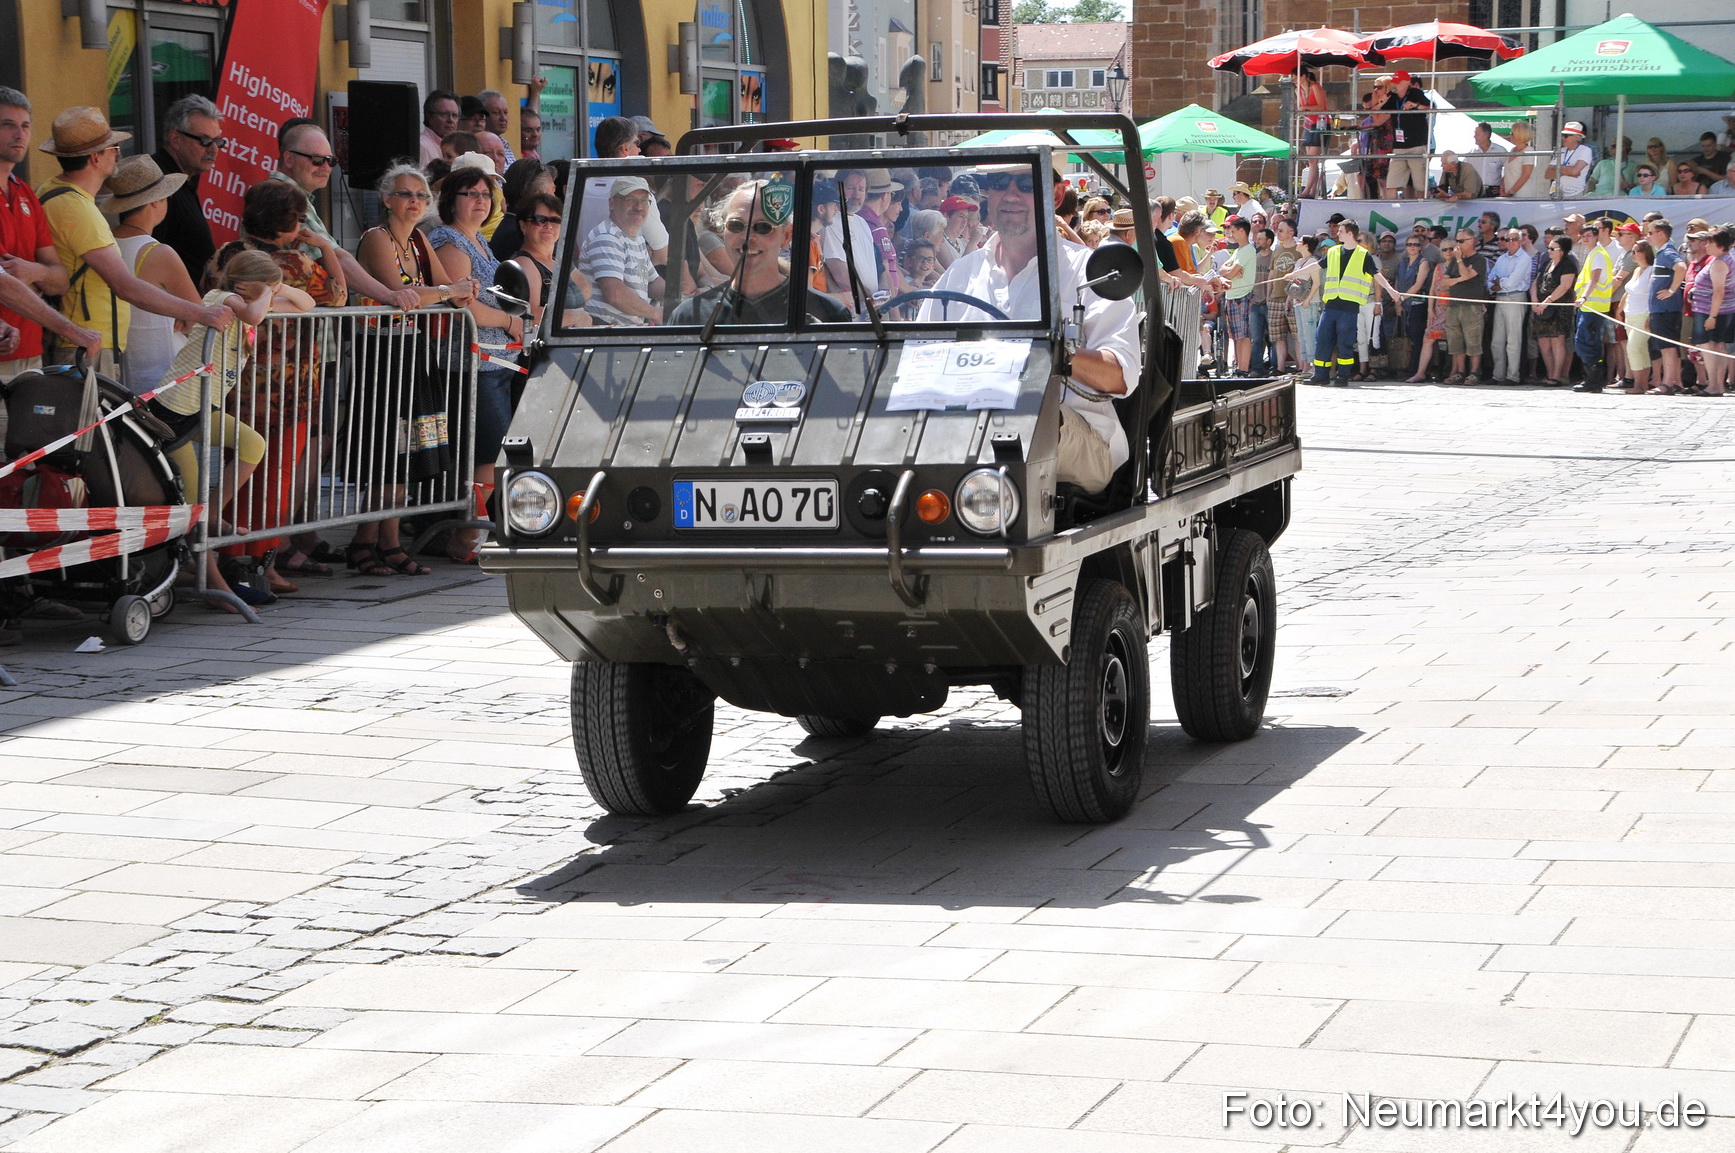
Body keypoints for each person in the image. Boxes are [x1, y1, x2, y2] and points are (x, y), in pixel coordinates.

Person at [920, 164, 1139, 494]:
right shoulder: (962, 274)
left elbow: (1120, 375)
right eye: (998, 183)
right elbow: (916, 355)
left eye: (1026, 183)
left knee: (1025, 423)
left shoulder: (1086, 273)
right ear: (987, 194)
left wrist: (1050, 352)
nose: (1011, 194)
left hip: (1077, 435)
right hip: (969, 431)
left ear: (1056, 194)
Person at [149, 249, 312, 609]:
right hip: (175, 411)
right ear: (242, 284)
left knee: (252, 445)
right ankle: (217, 586)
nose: (272, 294)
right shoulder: (222, 299)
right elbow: (255, 312)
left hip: (202, 408)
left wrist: (277, 285)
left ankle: (212, 512)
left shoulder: (248, 303)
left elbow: (307, 304)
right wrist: (267, 293)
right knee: (193, 510)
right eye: (267, 287)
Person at [206, 179, 344, 593]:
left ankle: (235, 557)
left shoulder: (226, 254)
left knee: (240, 472)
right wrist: (329, 248)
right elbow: (337, 296)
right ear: (289, 222)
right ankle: (259, 564)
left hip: (238, 382)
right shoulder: (295, 262)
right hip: (289, 386)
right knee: (276, 477)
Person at [36, 106, 232, 375]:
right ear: (95, 158)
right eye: (111, 148)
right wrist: (199, 313)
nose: (118, 153)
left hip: (85, 339)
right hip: (87, 342)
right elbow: (124, 285)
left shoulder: (53, 191)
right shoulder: (77, 207)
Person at [353, 163, 479, 576]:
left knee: (409, 446)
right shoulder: (376, 238)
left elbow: (448, 291)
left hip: (415, 350)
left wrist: (455, 292)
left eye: (422, 196)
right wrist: (447, 292)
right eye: (406, 194)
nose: (414, 202)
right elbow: (402, 294)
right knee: (387, 449)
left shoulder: (421, 239)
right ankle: (367, 540)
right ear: (387, 199)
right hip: (383, 351)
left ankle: (385, 541)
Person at [430, 164, 527, 562]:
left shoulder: (478, 241)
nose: (480, 201)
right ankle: (469, 536)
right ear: (451, 199)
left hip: (495, 362)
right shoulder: (450, 241)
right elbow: (462, 305)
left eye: (485, 195)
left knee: (491, 451)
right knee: (485, 454)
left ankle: (477, 530)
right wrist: (509, 321)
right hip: (470, 363)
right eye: (471, 193)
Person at [272, 121, 421, 311]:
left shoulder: (282, 192)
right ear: (289, 159)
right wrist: (389, 295)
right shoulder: (286, 196)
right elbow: (337, 259)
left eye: (331, 160)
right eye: (317, 159)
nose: (326, 167)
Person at [670, 181, 852, 326]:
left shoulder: (827, 313)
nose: (747, 237)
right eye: (736, 226)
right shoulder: (689, 317)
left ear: (786, 236)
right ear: (723, 231)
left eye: (763, 227)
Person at [103, 155, 198, 396]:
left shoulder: (103, 244)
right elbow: (198, 315)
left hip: (118, 374)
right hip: (163, 374)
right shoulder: (160, 253)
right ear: (156, 202)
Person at [0, 86, 73, 381]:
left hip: (31, 350)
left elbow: (61, 280)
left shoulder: (26, 193)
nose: (20, 135)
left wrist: (31, 271)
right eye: (8, 125)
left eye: (25, 126)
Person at [1310, 220, 1402, 387]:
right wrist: (1294, 274)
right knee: (1322, 340)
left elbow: (1377, 275)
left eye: (1341, 231)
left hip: (1349, 308)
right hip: (1330, 305)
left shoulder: (1363, 255)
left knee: (1345, 342)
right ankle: (1320, 375)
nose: (1338, 234)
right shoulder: (1333, 252)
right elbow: (1316, 266)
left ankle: (1342, 376)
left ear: (1350, 233)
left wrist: (1391, 290)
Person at [150, 94, 222, 283]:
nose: (214, 149)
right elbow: (150, 257)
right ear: (175, 139)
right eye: (205, 141)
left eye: (218, 141)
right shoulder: (160, 182)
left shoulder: (182, 179)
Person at [579, 175, 664, 327]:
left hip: (625, 330)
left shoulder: (635, 236)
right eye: (630, 200)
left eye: (644, 201)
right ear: (612, 203)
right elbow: (615, 294)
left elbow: (653, 282)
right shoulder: (607, 236)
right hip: (606, 333)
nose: (639, 207)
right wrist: (655, 313)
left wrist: (682, 301)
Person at [507, 190, 590, 330]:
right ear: (523, 226)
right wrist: (574, 317)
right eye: (540, 220)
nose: (549, 226)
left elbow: (586, 286)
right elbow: (530, 314)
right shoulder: (524, 263)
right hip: (543, 348)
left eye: (555, 220)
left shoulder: (557, 261)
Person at [1686, 226, 1735, 396]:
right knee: (1716, 346)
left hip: (1713, 311)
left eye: (1710, 243)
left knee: (1711, 346)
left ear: (1720, 245)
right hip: (1713, 309)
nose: (1706, 246)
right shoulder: (1720, 260)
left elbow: (1719, 290)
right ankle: (1716, 385)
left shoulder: (1721, 262)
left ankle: (1714, 384)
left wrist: (1712, 316)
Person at [1572, 218, 1618, 392]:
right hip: (1589, 306)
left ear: (1596, 237)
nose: (1585, 239)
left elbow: (1595, 278)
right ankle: (1592, 379)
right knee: (1587, 343)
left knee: (1585, 343)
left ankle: (1594, 379)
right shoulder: (1593, 254)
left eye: (1589, 236)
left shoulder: (1598, 254)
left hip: (1594, 307)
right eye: (1583, 236)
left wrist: (1583, 297)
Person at [1486, 228, 1534, 385]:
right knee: (1497, 340)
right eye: (1508, 239)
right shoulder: (1501, 259)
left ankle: (1512, 376)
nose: (1511, 242)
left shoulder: (1524, 259)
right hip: (1499, 298)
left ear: (1520, 241)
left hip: (1515, 297)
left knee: (1513, 340)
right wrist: (1497, 284)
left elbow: (1513, 282)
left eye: (1514, 239)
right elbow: (1490, 279)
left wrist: (1499, 282)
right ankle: (1498, 375)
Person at [822, 168, 877, 301]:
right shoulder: (830, 223)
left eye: (861, 189)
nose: (856, 195)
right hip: (851, 307)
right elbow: (839, 274)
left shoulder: (862, 223)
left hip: (869, 306)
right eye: (851, 188)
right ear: (837, 189)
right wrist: (869, 297)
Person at [1530, 234, 1578, 386]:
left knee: (1557, 342)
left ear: (1562, 250)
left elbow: (1564, 286)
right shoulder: (1546, 263)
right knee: (1544, 343)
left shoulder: (1568, 265)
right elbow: (1535, 283)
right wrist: (1535, 301)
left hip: (1559, 307)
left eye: (1553, 248)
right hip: (1541, 308)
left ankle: (1557, 376)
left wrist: (1547, 302)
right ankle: (1549, 374)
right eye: (1548, 247)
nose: (1549, 251)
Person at [1646, 220, 1685, 393]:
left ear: (1661, 233)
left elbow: (1681, 267)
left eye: (1650, 233)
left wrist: (1671, 290)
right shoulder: (1661, 252)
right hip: (1661, 308)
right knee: (1669, 346)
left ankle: (1667, 383)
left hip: (1666, 308)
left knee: (1667, 347)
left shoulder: (1668, 252)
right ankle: (1676, 381)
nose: (1648, 236)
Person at [489, 157, 553, 261]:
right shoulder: (519, 233)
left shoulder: (513, 226)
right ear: (537, 195)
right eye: (551, 193)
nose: (555, 199)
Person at [1219, 216, 1257, 376]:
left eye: (1233, 231)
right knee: (1235, 335)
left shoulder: (1248, 249)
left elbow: (1230, 272)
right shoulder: (1238, 251)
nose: (1231, 234)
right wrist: (1228, 271)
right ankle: (1238, 367)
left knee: (1243, 335)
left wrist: (1229, 271)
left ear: (1242, 231)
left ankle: (1243, 368)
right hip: (1232, 295)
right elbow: (1222, 270)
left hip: (1241, 296)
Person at [1385, 71, 1431, 200]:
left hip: (1416, 144)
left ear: (1406, 83)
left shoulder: (1416, 93)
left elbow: (1432, 108)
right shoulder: (1393, 97)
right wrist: (1380, 101)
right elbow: (1379, 114)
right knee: (1391, 183)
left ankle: (1422, 209)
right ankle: (1390, 211)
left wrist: (1416, 105)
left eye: (1397, 82)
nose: (1394, 85)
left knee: (1420, 184)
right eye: (1393, 82)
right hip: (1399, 146)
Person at [1394, 231, 1433, 381]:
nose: (1412, 247)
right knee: (1407, 338)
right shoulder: (1403, 262)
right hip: (1403, 303)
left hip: (1417, 305)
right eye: (1409, 244)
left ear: (1420, 247)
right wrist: (1398, 302)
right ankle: (1406, 368)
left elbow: (1418, 285)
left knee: (1417, 339)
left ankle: (1417, 370)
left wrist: (1401, 298)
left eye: (1416, 245)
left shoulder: (1424, 263)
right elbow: (1398, 282)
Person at [1623, 239, 1657, 395]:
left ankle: (1638, 384)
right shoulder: (1637, 270)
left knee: (1633, 348)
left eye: (1636, 251)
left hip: (1643, 314)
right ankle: (1642, 384)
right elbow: (1629, 291)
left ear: (1645, 253)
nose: (1633, 254)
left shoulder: (1652, 270)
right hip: (1629, 314)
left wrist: (1651, 315)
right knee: (1641, 350)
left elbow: (1653, 295)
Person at [1298, 66, 1328, 197]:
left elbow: (1321, 106)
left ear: (1303, 76)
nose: (1293, 79)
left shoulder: (1315, 86)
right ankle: (1311, 190)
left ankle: (1309, 190)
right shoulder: (1298, 89)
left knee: (1313, 160)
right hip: (1309, 124)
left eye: (1295, 76)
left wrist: (1305, 107)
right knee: (1311, 160)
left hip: (1320, 123)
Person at [1546, 122, 1595, 198]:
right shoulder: (1561, 150)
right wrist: (1568, 172)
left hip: (1575, 194)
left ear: (1576, 137)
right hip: (1556, 193)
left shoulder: (1585, 150)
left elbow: (1574, 171)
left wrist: (1556, 168)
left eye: (1566, 136)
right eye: (1562, 135)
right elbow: (1547, 174)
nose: (1563, 138)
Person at [420, 89, 460, 169]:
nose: (450, 120)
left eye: (455, 115)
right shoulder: (422, 146)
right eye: (444, 114)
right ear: (430, 117)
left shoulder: (456, 146)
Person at [477, 89, 516, 167]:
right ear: (483, 116)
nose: (503, 118)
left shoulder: (504, 144)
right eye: (496, 112)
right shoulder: (477, 144)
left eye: (505, 112)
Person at [1500, 121, 1536, 198]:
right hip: (1508, 193)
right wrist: (1502, 187)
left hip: (1522, 194)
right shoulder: (1512, 150)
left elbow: (1526, 175)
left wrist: (1512, 191)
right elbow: (1507, 172)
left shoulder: (1529, 150)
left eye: (1512, 133)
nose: (1510, 135)